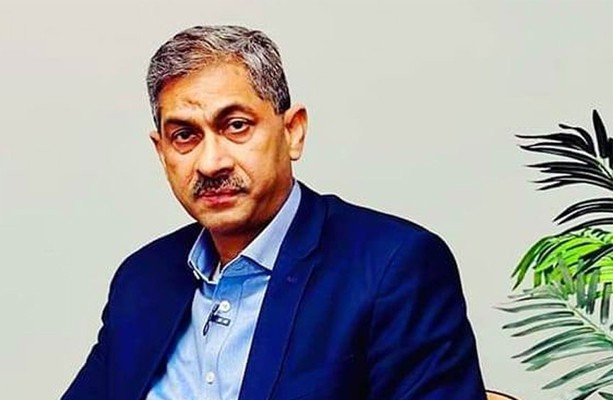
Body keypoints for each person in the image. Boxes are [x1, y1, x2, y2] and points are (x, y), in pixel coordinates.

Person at [62, 25, 486, 400]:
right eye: (185, 135)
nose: (211, 163)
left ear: (292, 132)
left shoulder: (393, 268)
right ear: (162, 152)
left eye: (236, 126)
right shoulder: (142, 279)